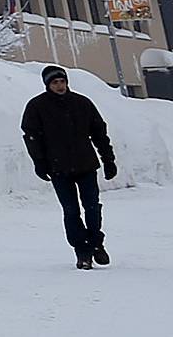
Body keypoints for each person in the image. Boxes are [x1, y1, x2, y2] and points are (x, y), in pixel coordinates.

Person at [21, 65, 117, 266]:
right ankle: (82, 251)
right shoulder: (37, 107)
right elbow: (31, 137)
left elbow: (99, 133)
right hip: (58, 168)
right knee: (71, 211)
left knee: (92, 207)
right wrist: (39, 163)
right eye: (55, 82)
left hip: (86, 165)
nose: (60, 86)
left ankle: (96, 242)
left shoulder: (82, 103)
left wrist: (108, 160)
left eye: (62, 81)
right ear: (48, 84)